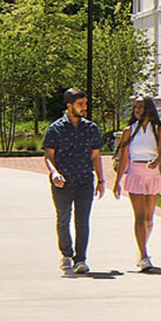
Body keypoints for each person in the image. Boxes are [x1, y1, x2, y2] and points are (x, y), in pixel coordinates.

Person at [43, 87, 105, 276]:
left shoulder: (91, 128)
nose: (84, 107)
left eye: (85, 104)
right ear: (69, 106)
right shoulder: (55, 129)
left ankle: (81, 259)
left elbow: (96, 156)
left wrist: (101, 180)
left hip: (85, 180)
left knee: (82, 221)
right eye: (80, 104)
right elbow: (48, 155)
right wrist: (54, 173)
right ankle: (66, 254)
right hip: (62, 182)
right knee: (63, 219)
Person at [113, 96, 161, 272]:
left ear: (148, 109)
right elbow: (124, 158)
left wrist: (156, 161)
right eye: (135, 107)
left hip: (152, 174)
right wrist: (117, 182)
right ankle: (144, 256)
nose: (137, 110)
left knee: (149, 219)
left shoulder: (158, 130)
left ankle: (141, 248)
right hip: (135, 173)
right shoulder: (129, 130)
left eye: (141, 107)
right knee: (140, 217)